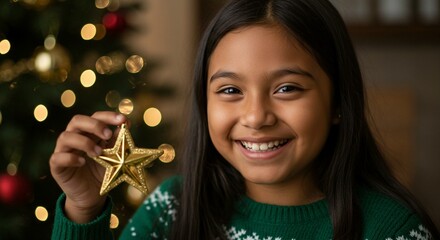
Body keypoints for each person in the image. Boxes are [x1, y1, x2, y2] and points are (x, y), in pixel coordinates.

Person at [50, 0, 440, 239]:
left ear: (338, 101)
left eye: (287, 89)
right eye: (230, 91)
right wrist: (83, 210)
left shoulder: (391, 231)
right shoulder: (172, 209)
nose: (256, 117)